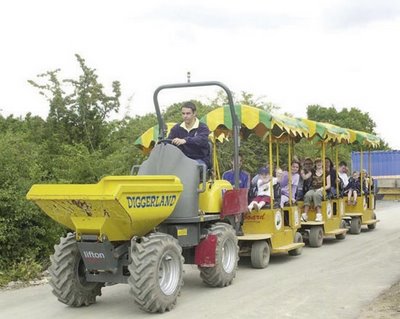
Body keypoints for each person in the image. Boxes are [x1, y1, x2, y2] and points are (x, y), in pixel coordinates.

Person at [167, 101, 211, 167]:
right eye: (183, 113)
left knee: (190, 166)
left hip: (199, 159)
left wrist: (185, 140)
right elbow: (169, 141)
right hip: (181, 159)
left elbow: (202, 139)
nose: (185, 116)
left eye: (188, 113)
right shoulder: (176, 128)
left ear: (194, 113)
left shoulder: (202, 127)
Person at [301, 158, 331, 222]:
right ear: (315, 164)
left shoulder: (326, 172)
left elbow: (328, 185)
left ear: (322, 163)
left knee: (316, 195)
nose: (319, 164)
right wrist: (302, 172)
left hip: (322, 189)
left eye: (320, 162)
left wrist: (322, 189)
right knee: (307, 195)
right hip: (313, 188)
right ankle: (305, 214)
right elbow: (305, 177)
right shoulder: (312, 172)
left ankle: (319, 214)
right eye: (317, 162)